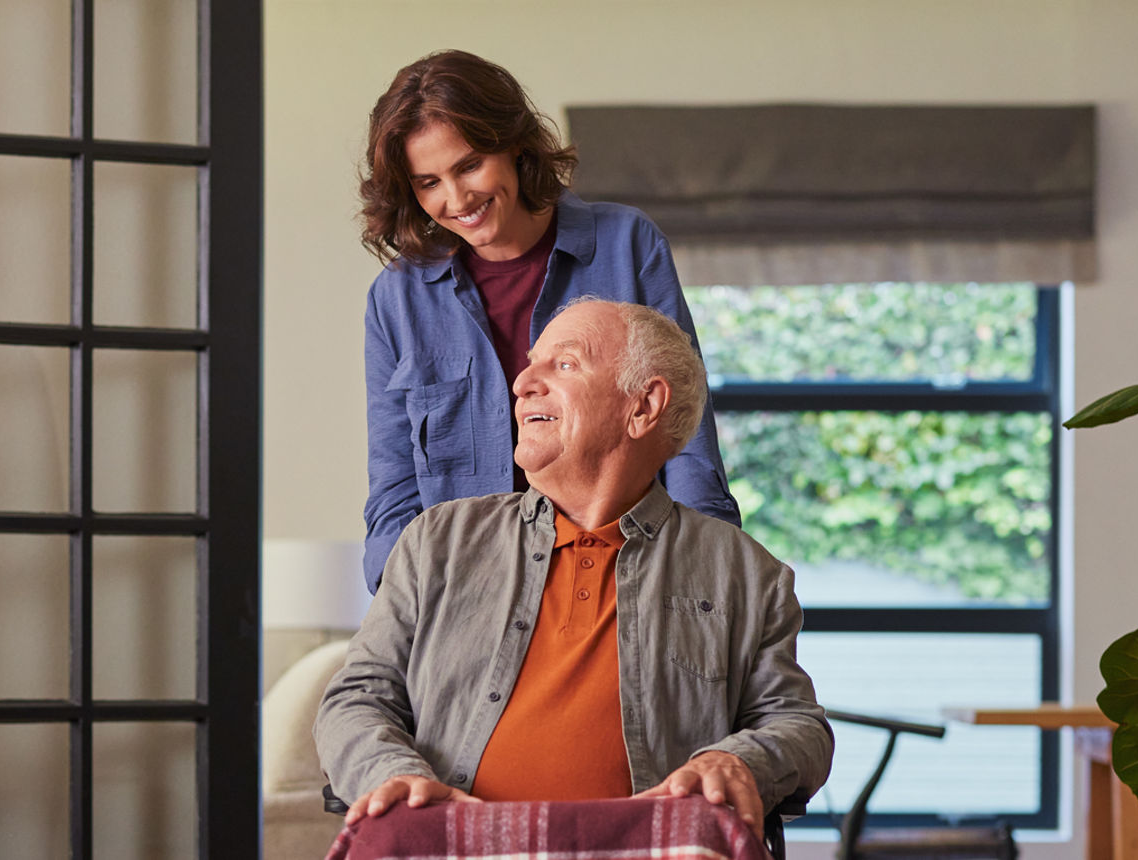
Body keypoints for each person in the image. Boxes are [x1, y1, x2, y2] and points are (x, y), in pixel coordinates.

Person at [316, 299, 832, 837]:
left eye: (563, 364)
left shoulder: (748, 573)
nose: (521, 384)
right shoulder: (436, 540)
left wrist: (741, 762)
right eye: (530, 362)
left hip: (649, 848)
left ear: (643, 406)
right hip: (453, 844)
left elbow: (798, 725)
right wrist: (391, 773)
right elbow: (357, 696)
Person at [360, 49, 740, 594]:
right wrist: (406, 603)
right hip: (465, 594)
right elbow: (394, 484)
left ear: (514, 144)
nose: (456, 198)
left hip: (626, 584)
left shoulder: (626, 244)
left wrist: (704, 583)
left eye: (469, 165)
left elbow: (683, 437)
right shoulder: (395, 298)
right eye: (428, 183)